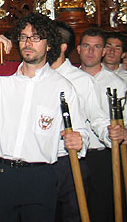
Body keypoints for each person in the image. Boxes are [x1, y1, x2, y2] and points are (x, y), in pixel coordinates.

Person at [0, 13, 87, 221]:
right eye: (23, 36)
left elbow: (81, 131)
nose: (28, 42)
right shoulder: (2, 80)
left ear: (49, 45)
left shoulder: (62, 87)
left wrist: (79, 140)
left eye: (36, 37)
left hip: (39, 177)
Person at [77, 27, 127, 222]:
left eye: (97, 47)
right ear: (78, 49)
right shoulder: (67, 80)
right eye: (86, 46)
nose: (91, 52)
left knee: (103, 209)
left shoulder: (116, 83)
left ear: (103, 51)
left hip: (104, 155)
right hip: (74, 155)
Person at [51, 21, 109, 222]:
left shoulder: (81, 80)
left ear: (61, 46)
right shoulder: (35, 76)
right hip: (40, 161)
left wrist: (112, 134)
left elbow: (97, 118)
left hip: (69, 161)